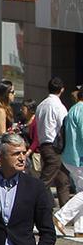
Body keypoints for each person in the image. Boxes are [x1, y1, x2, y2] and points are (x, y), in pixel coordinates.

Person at [35, 77, 73, 208]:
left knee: (63, 180)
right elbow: (64, 126)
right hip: (55, 148)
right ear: (62, 90)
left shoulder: (41, 105)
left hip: (44, 146)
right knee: (45, 181)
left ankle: (65, 212)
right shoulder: (58, 106)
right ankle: (36, 207)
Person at [54, 88, 83, 235]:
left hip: (69, 156)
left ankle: (80, 228)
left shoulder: (73, 109)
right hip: (80, 158)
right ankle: (61, 216)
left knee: (80, 191)